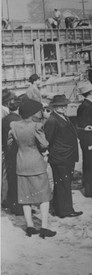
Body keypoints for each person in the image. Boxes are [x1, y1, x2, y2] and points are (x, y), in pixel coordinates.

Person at [8, 98, 56, 238]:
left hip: (21, 163)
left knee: (25, 197)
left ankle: (29, 227)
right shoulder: (36, 126)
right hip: (36, 163)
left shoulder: (14, 125)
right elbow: (44, 144)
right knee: (44, 197)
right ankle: (44, 228)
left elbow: (10, 143)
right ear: (31, 113)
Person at [44, 95, 83, 219]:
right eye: (61, 105)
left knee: (63, 183)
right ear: (54, 107)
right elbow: (48, 140)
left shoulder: (62, 117)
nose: (64, 107)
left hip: (66, 156)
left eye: (65, 105)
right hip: (60, 157)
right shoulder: (52, 120)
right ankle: (65, 210)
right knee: (63, 183)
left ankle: (59, 208)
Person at [2, 89, 22, 215]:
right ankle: (17, 206)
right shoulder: (17, 120)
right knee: (17, 179)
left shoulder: (5, 118)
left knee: (10, 178)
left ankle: (10, 203)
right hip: (16, 153)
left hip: (8, 151)